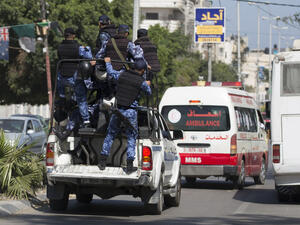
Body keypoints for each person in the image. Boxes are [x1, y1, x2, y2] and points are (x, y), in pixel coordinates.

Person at [98, 57, 151, 172]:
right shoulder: (141, 81)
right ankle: (130, 163)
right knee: (131, 136)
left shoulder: (122, 74)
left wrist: (108, 63)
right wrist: (148, 82)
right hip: (130, 112)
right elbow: (149, 92)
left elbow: (111, 73)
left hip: (118, 110)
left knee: (110, 134)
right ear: (142, 71)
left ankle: (102, 160)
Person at [57, 27, 95, 128]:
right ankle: (86, 120)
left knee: (62, 96)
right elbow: (89, 57)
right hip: (74, 77)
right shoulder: (78, 47)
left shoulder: (59, 47)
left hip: (62, 78)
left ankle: (63, 103)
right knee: (81, 98)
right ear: (73, 36)